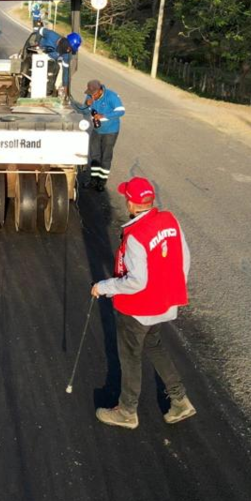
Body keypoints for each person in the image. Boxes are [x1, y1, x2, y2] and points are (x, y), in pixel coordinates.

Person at [90, 177, 195, 430]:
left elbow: (137, 281)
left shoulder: (136, 236)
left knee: (130, 357)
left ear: (132, 204)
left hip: (138, 309)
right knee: (155, 346)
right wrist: (169, 290)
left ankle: (127, 411)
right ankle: (180, 400)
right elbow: (185, 258)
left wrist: (104, 287)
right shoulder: (170, 221)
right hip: (163, 304)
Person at [74, 80, 125, 191]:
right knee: (94, 155)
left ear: (100, 90)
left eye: (94, 94)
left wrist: (104, 115)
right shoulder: (90, 96)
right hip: (96, 130)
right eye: (90, 94)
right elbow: (85, 111)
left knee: (105, 157)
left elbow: (121, 111)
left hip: (110, 131)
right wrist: (87, 105)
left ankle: (101, 182)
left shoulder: (111, 96)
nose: (92, 96)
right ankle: (93, 180)